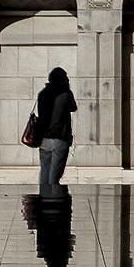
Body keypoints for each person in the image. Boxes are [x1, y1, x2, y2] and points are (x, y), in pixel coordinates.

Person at [33, 65, 76, 196]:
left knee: (44, 171)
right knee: (55, 174)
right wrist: (68, 89)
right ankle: (54, 202)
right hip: (60, 138)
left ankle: (44, 198)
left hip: (44, 138)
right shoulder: (65, 94)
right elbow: (73, 108)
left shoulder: (43, 94)